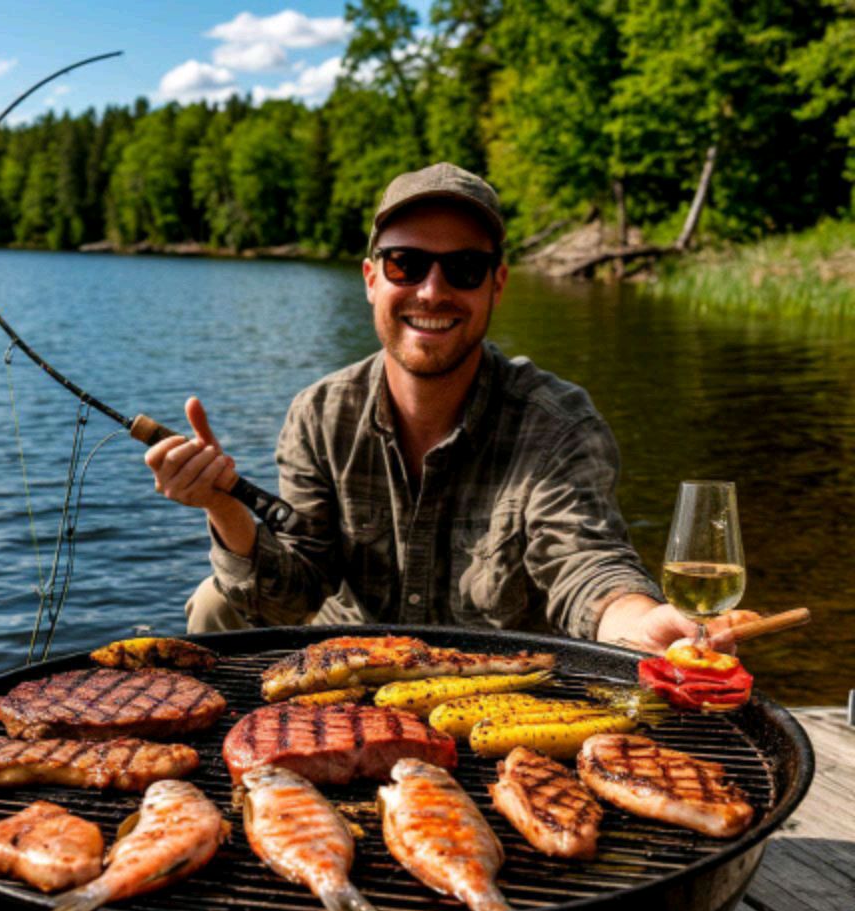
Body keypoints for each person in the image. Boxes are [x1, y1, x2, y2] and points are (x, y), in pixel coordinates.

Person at [145, 163, 748, 652]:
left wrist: (640, 624)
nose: (432, 290)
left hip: (493, 687)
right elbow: (294, 590)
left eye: (463, 268)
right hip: (350, 664)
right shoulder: (320, 413)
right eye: (406, 263)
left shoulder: (556, 423)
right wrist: (224, 508)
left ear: (497, 285)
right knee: (215, 602)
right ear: (371, 279)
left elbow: (585, 562)